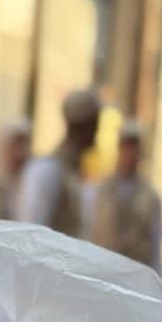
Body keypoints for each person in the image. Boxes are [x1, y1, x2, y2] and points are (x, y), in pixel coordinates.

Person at [16, 87, 101, 236]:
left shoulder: (74, 172)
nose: (97, 131)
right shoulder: (47, 170)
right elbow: (32, 233)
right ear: (84, 127)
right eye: (95, 124)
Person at [91, 118, 162, 280]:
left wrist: (159, 279)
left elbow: (156, 243)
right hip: (104, 274)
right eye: (126, 147)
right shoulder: (101, 191)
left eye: (134, 148)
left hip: (135, 276)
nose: (130, 154)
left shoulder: (151, 196)